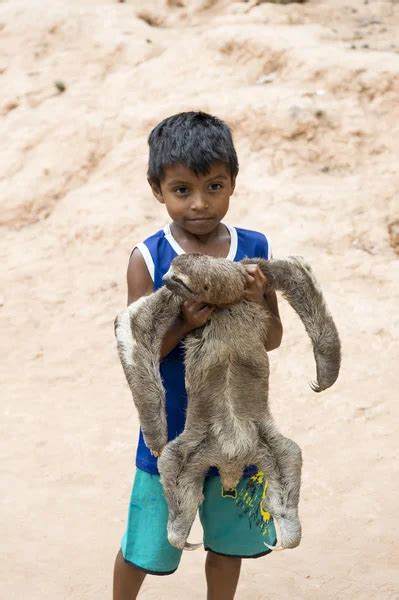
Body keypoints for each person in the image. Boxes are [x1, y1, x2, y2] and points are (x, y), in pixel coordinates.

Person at [113, 111, 283, 600]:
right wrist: (185, 323)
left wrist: (254, 300)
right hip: (170, 434)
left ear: (232, 182)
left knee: (229, 544)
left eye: (214, 186)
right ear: (156, 189)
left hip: (238, 431)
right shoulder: (149, 258)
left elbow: (271, 338)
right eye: (182, 190)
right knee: (144, 546)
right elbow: (138, 354)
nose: (200, 203)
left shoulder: (255, 248)